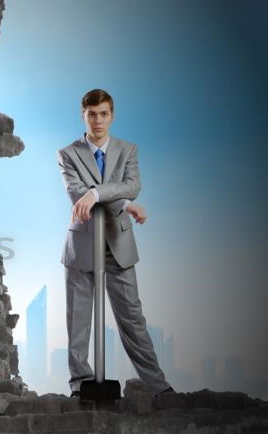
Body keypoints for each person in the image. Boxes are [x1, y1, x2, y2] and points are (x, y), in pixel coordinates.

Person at [57, 88, 174, 399]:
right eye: (92, 114)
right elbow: (76, 193)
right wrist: (121, 202)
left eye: (104, 114)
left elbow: (133, 186)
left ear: (112, 115)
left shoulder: (128, 150)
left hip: (118, 244)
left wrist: (97, 194)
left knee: (133, 319)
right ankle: (80, 385)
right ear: (83, 115)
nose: (98, 120)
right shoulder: (67, 154)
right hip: (82, 245)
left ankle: (158, 386)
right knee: (78, 321)